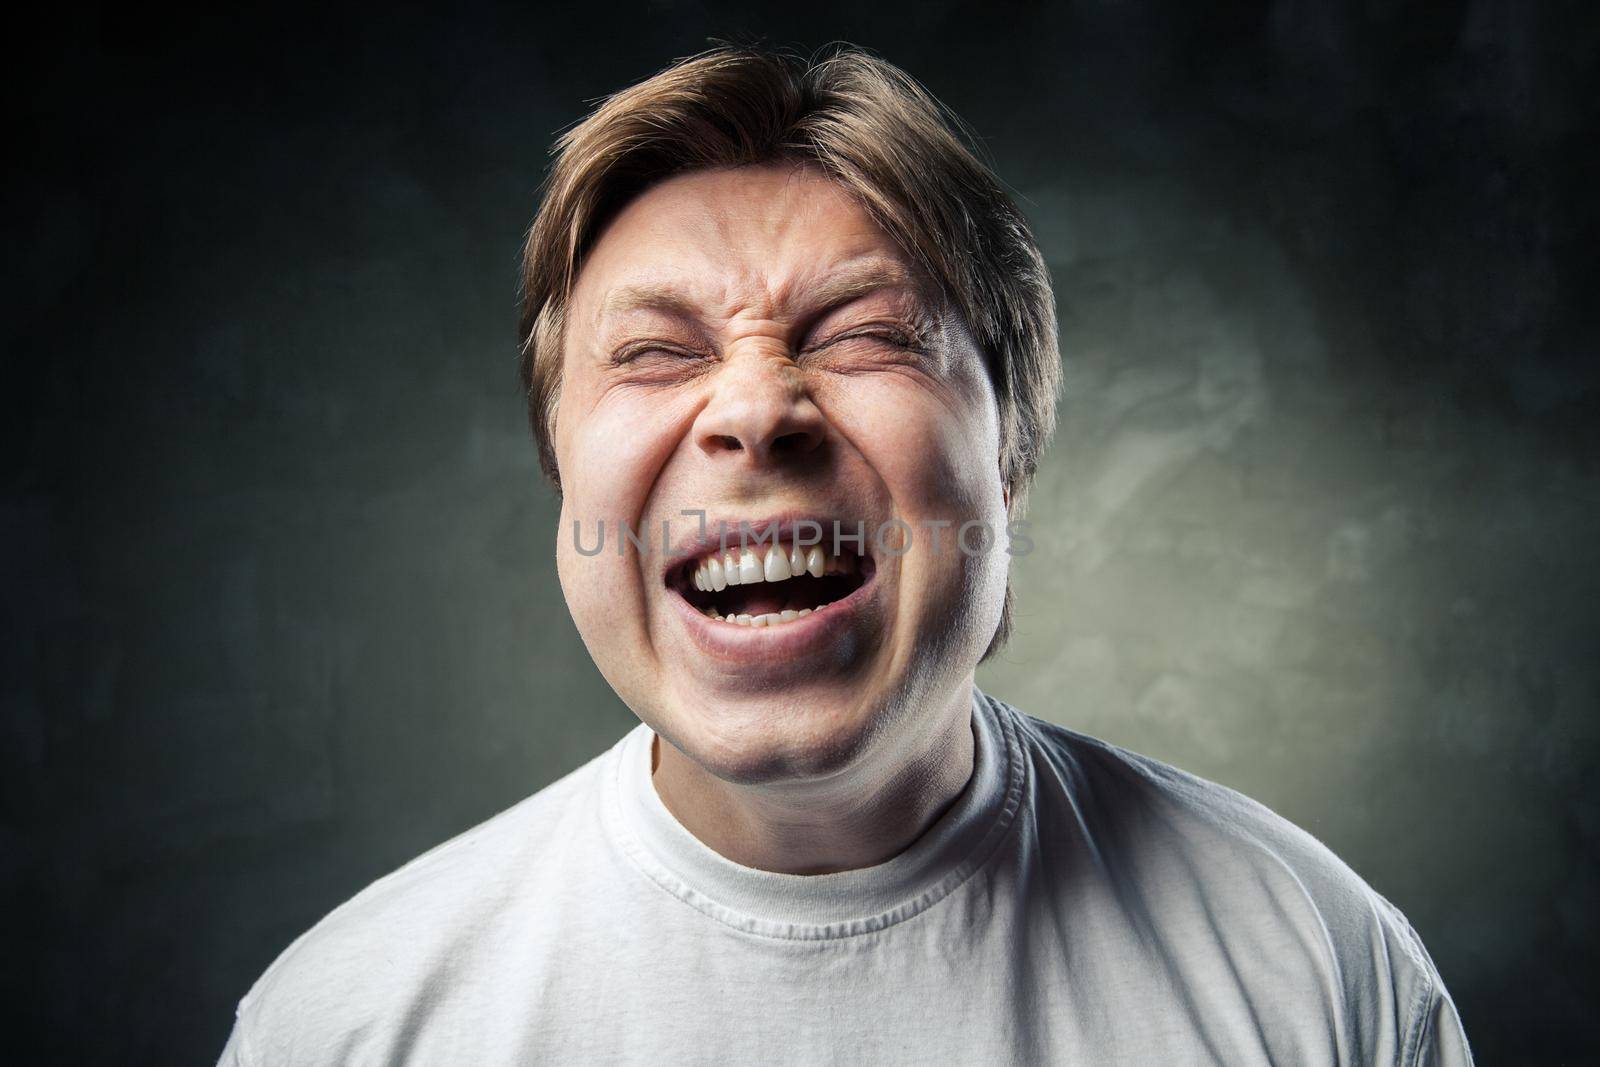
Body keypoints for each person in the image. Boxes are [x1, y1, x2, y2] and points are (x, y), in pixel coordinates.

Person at [217, 45, 1473, 1065]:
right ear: (565, 480)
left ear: (1011, 460)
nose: (756, 408)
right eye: (655, 351)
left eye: (866, 335)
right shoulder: (345, 1026)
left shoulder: (1320, 970)